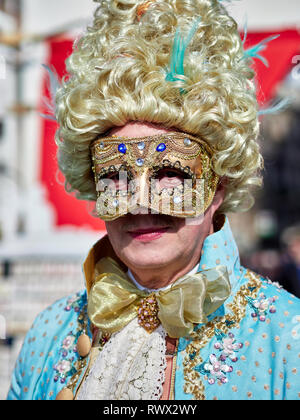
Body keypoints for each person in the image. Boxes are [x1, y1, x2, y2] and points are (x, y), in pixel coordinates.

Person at [7, 0, 300, 401]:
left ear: (220, 186)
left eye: (171, 173)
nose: (140, 202)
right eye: (115, 174)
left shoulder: (286, 341)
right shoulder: (48, 336)